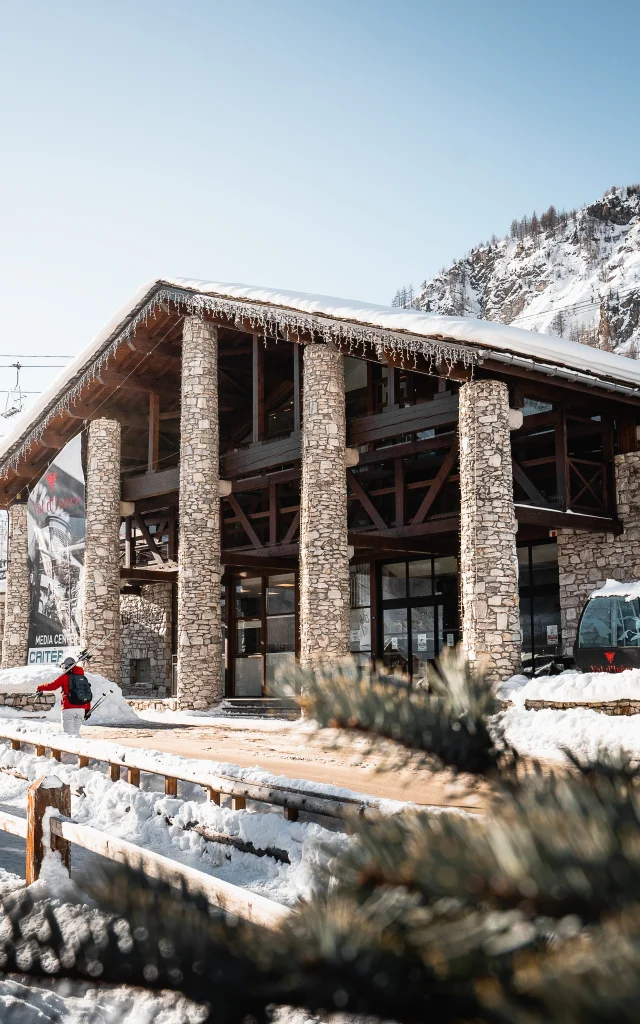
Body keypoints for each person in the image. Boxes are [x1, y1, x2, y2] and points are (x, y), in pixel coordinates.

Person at [37, 658, 92, 736]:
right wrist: (87, 709)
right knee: (76, 733)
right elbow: (85, 693)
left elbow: (52, 686)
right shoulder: (82, 678)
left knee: (68, 734)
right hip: (81, 709)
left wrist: (40, 687)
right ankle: (78, 747)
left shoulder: (65, 677)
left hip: (69, 708)